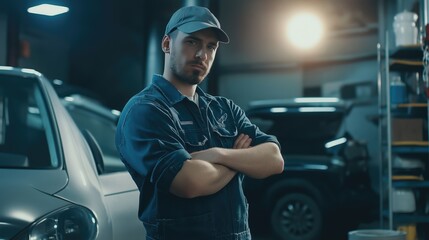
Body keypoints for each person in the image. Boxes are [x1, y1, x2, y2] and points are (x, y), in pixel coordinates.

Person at [115, 5, 284, 240]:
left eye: (210, 46)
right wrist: (241, 159)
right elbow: (188, 182)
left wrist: (219, 154)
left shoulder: (224, 108)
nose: (202, 55)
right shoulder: (146, 110)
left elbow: (274, 160)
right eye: (192, 42)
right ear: (166, 44)